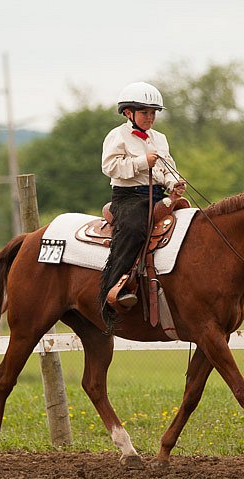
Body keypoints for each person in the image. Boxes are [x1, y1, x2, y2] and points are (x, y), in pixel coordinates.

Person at [99, 81, 186, 329]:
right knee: (134, 229)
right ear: (129, 113)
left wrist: (174, 183)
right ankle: (113, 289)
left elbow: (166, 166)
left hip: (157, 195)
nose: (149, 117)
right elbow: (110, 167)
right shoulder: (117, 136)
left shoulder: (160, 138)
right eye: (144, 112)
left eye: (153, 113)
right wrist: (140, 162)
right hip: (128, 197)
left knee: (189, 219)